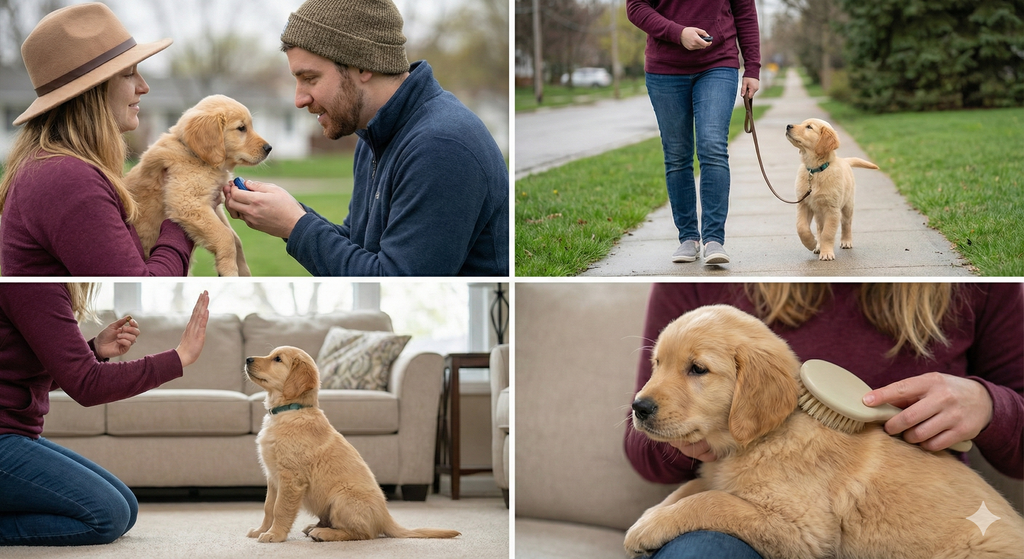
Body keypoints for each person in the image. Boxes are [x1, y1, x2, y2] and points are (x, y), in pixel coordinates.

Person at [625, 283, 1024, 558]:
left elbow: (797, 536)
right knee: (700, 550)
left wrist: (992, 406)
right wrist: (684, 492)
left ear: (756, 389)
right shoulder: (696, 282)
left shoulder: (799, 445)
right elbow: (646, 449)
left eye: (697, 369)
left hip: (966, 546)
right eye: (658, 362)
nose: (645, 395)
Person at [223, 0, 509, 277]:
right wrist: (292, 214)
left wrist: (294, 225)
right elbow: (360, 247)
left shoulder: (440, 147)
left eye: (310, 78)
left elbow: (393, 279)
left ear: (363, 65)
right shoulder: (374, 136)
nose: (299, 99)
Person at [0, 285, 209, 546]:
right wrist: (179, 357)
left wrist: (94, 351)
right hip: (5, 435)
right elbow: (88, 386)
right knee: (107, 516)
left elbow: (22, 372)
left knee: (127, 508)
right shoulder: (33, 288)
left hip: (16, 433)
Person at [0, 2, 193, 276]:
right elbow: (141, 282)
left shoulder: (53, 167)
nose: (144, 86)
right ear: (93, 92)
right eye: (129, 73)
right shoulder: (67, 178)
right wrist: (184, 211)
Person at [626, 0, 761, 265]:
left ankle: (713, 239)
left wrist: (752, 67)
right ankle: (688, 237)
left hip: (718, 63)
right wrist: (678, 33)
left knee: (712, 146)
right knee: (677, 154)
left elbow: (744, 11)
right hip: (665, 69)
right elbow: (636, 7)